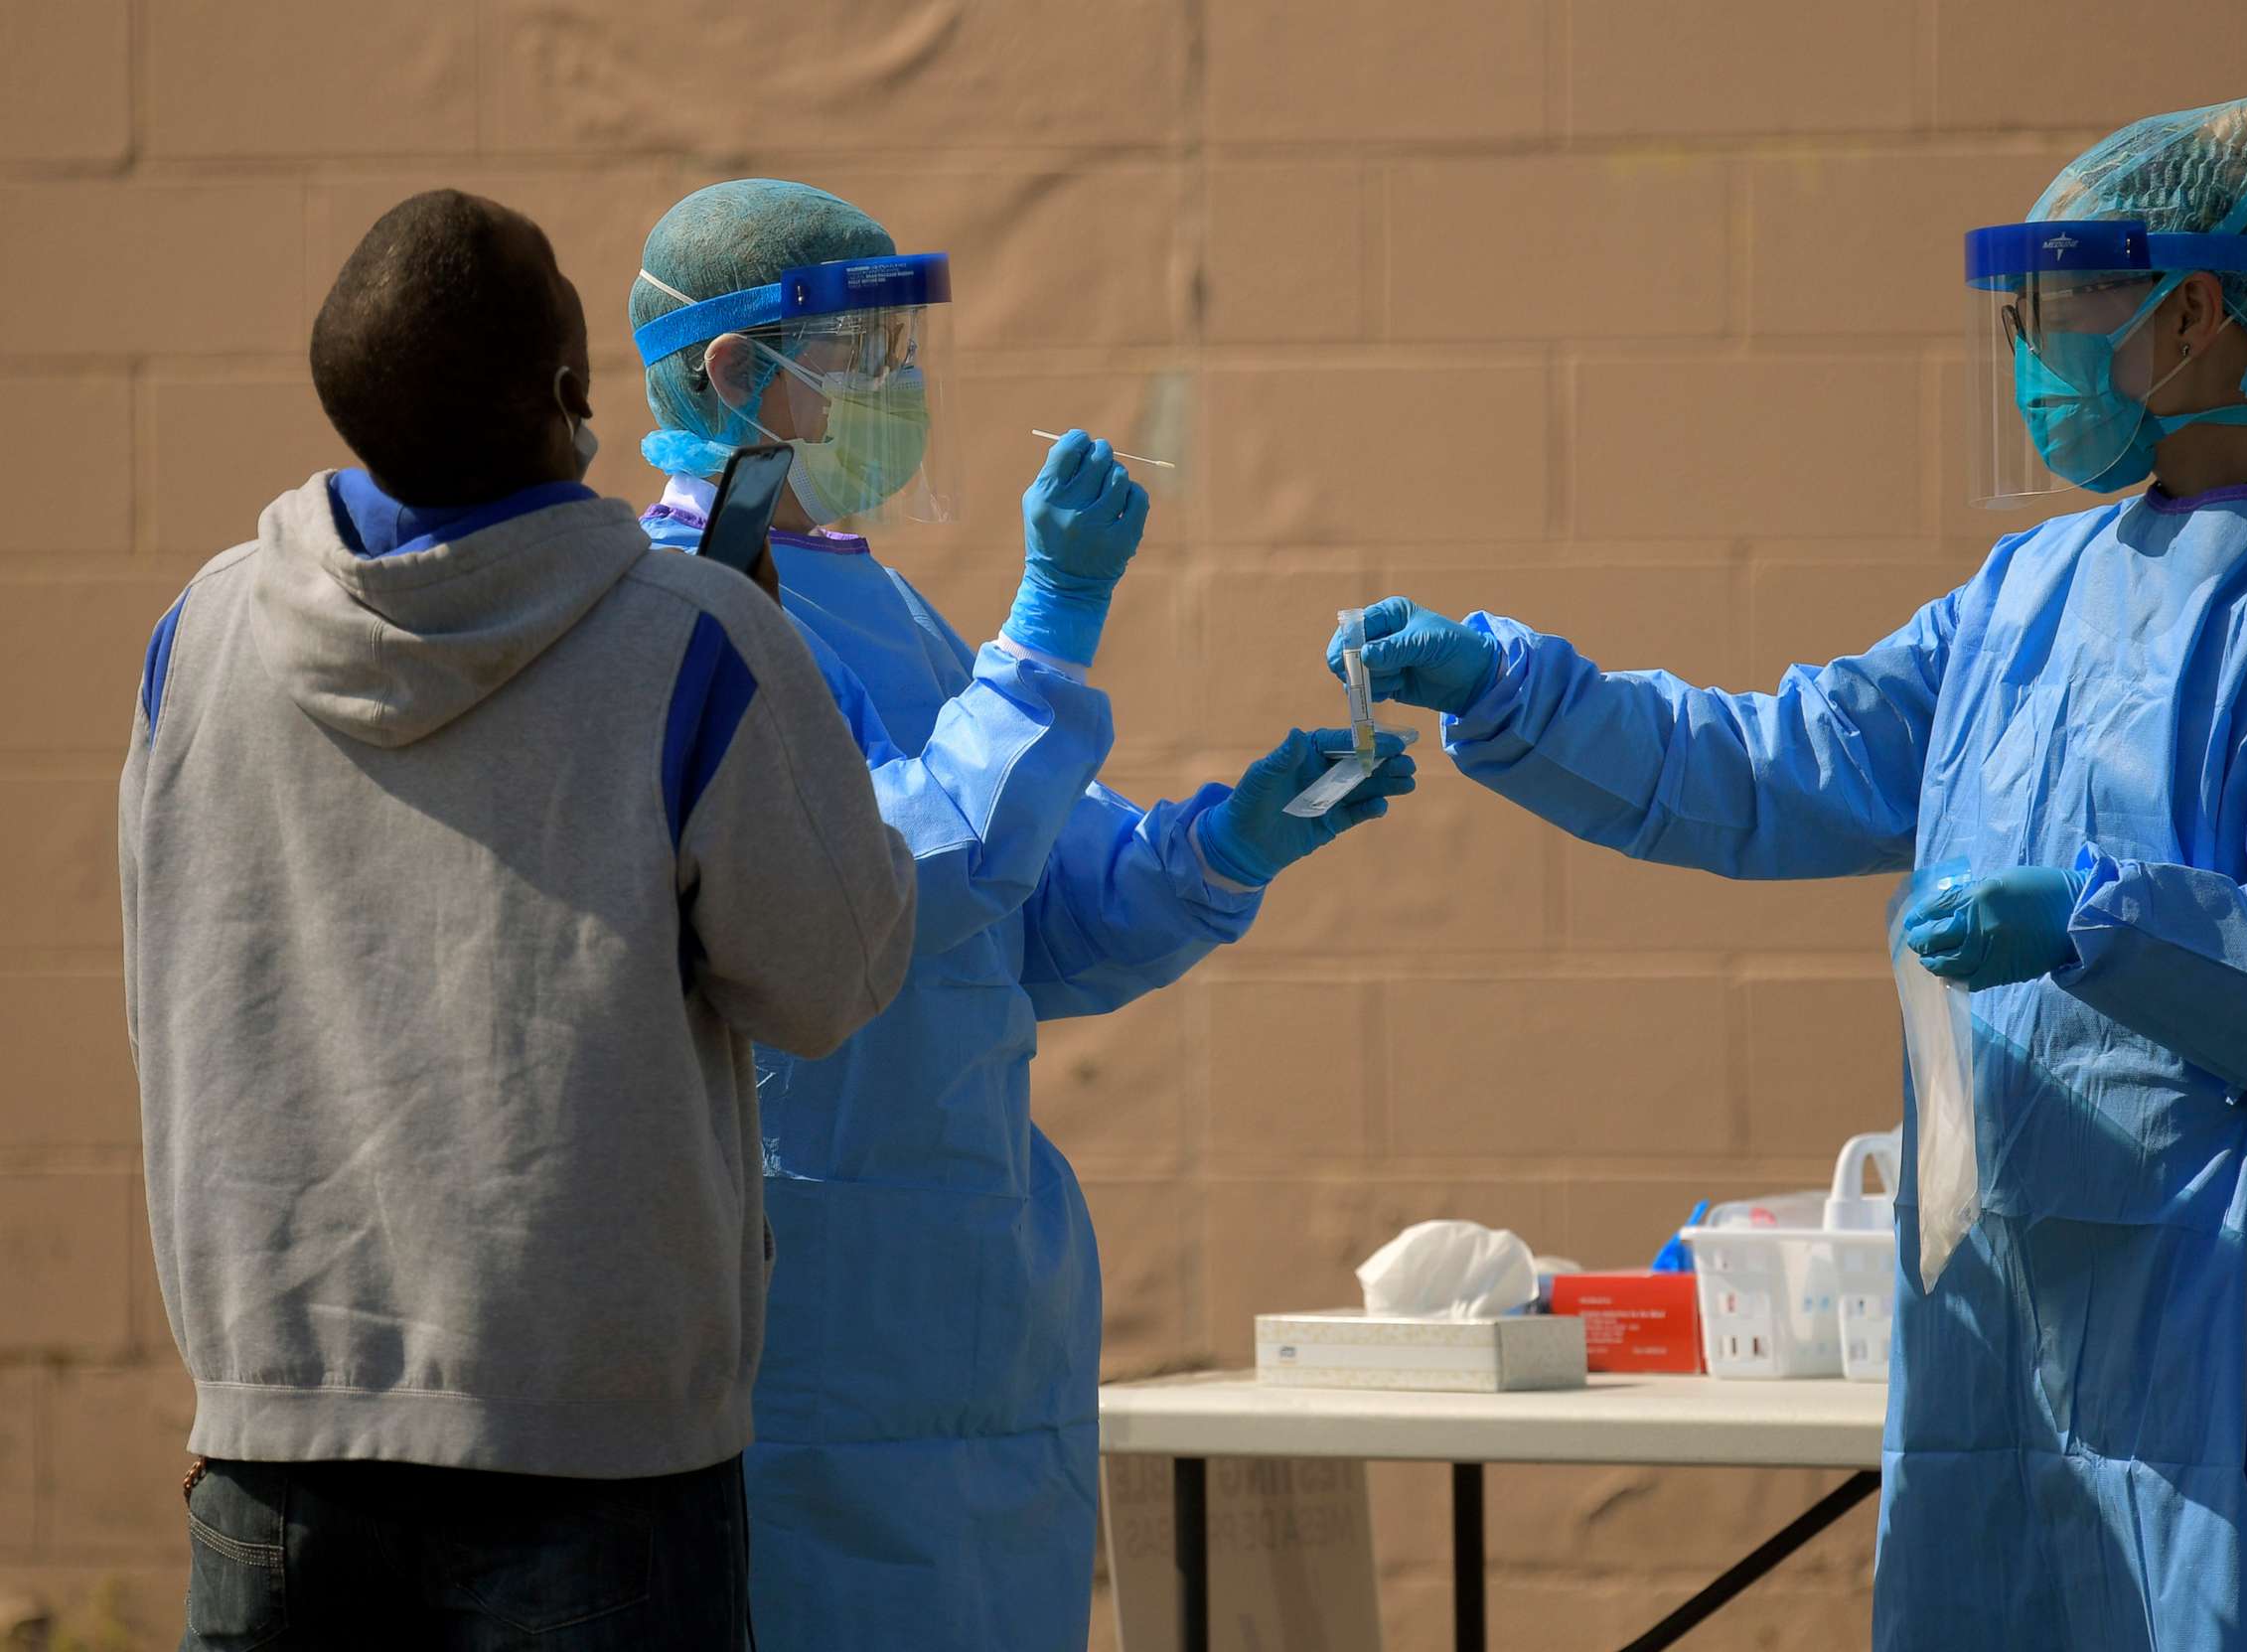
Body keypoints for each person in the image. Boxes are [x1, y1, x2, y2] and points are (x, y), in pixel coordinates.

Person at [1333, 97, 2247, 1650]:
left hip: (2204, 1305)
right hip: (1992, 1309)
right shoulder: (2030, 588)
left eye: (2067, 302)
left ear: (2204, 308)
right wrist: (1506, 686)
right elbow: (1764, 769)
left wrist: (2095, 918)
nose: (2032, 345)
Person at [626, 178, 1417, 1652]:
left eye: (905, 351)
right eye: (863, 353)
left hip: (975, 1314)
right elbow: (879, 896)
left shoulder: (872, 600)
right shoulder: (691, 614)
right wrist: (1048, 627)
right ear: (738, 373)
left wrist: (1226, 844)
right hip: (817, 1325)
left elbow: (1031, 924)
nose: (900, 389)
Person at [120, 190, 918, 1649]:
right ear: (571, 396)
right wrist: (776, 678)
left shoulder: (202, 634)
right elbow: (830, 977)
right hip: (597, 1463)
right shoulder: (697, 639)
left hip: (274, 1437)